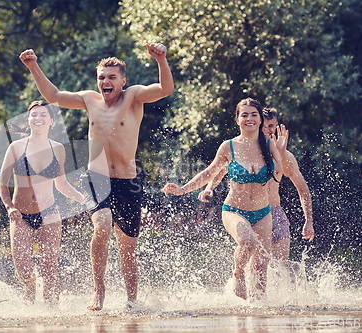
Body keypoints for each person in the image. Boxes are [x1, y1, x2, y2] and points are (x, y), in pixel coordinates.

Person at [19, 43, 174, 310]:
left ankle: (132, 300)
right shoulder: (89, 99)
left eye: (112, 77)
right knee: (102, 225)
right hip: (96, 177)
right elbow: (54, 95)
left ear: (123, 81)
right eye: (101, 77)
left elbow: (165, 89)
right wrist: (34, 67)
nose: (105, 81)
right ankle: (98, 292)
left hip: (128, 182)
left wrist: (161, 60)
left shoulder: (134, 96)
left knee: (127, 249)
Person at [163, 98, 282, 300]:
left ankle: (259, 316)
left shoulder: (270, 145)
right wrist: (183, 189)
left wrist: (280, 154)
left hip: (263, 212)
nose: (249, 118)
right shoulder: (228, 147)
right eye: (244, 115)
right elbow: (210, 172)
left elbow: (279, 175)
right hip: (234, 210)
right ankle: (238, 274)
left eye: (254, 114)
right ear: (237, 119)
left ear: (261, 119)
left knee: (262, 265)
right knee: (247, 241)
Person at [0, 100, 86, 306]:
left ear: (51, 121)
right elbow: (2, 184)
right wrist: (10, 207)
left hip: (50, 213)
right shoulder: (16, 147)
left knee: (49, 267)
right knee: (24, 268)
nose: (38, 118)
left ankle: (52, 313)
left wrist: (84, 199)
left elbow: (62, 184)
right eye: (33, 115)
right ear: (28, 120)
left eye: (43, 115)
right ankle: (30, 306)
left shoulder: (58, 149)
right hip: (20, 215)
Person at [198, 107, 315, 261]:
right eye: (264, 126)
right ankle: (239, 280)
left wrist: (309, 221)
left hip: (275, 213)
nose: (267, 130)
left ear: (277, 126)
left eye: (271, 126)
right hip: (250, 212)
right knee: (255, 263)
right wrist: (209, 188)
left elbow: (302, 189)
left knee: (282, 265)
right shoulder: (243, 150)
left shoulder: (286, 156)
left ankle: (279, 285)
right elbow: (220, 169)